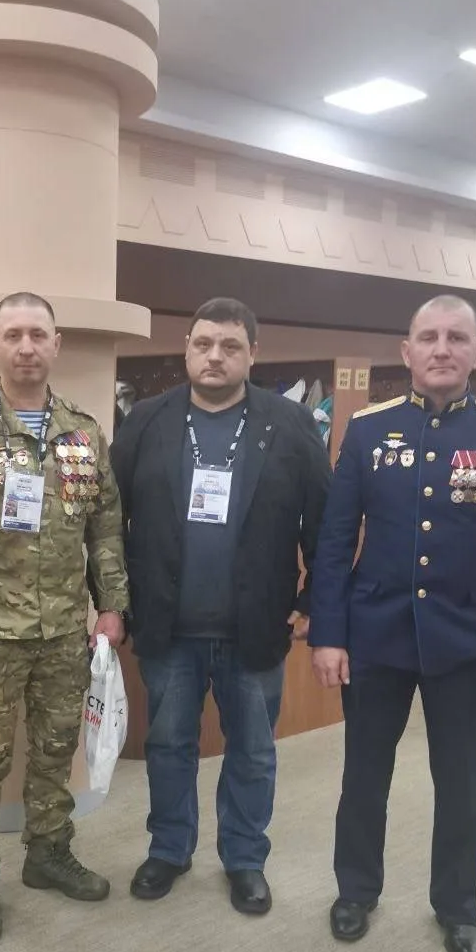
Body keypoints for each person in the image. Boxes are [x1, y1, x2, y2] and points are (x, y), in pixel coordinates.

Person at [309, 295, 476, 952]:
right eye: (428, 337)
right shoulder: (368, 430)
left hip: (467, 637)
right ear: (407, 351)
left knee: (460, 781)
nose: (441, 348)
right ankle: (356, 889)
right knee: (364, 773)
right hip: (376, 633)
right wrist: (328, 633)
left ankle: (457, 907)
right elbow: (335, 542)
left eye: (456, 338)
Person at [110, 297, 331, 912]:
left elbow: (326, 520)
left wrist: (315, 597)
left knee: (253, 752)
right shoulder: (146, 421)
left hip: (255, 624)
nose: (215, 356)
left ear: (252, 354)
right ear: (187, 348)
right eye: (203, 344)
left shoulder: (291, 424)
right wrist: (112, 599)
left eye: (230, 346)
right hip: (167, 623)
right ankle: (169, 848)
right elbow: (106, 518)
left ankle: (244, 858)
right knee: (169, 746)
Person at [0, 292, 128, 944]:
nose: (26, 347)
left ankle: (48, 852)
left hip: (65, 629)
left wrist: (112, 605)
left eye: (38, 334)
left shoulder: (82, 432)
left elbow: (105, 528)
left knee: (55, 749)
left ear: (56, 344)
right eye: (13, 334)